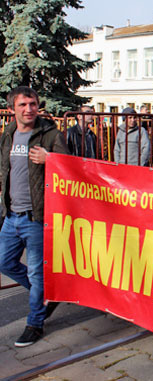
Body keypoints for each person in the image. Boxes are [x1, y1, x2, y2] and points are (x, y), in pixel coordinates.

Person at [0, 86, 68, 346]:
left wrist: (51, 158)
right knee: (4, 263)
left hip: (37, 216)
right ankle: (44, 296)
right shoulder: (8, 134)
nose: (29, 109)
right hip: (11, 216)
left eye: (33, 104)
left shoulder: (50, 135)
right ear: (12, 109)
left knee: (37, 273)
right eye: (23, 105)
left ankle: (35, 323)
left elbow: (70, 167)